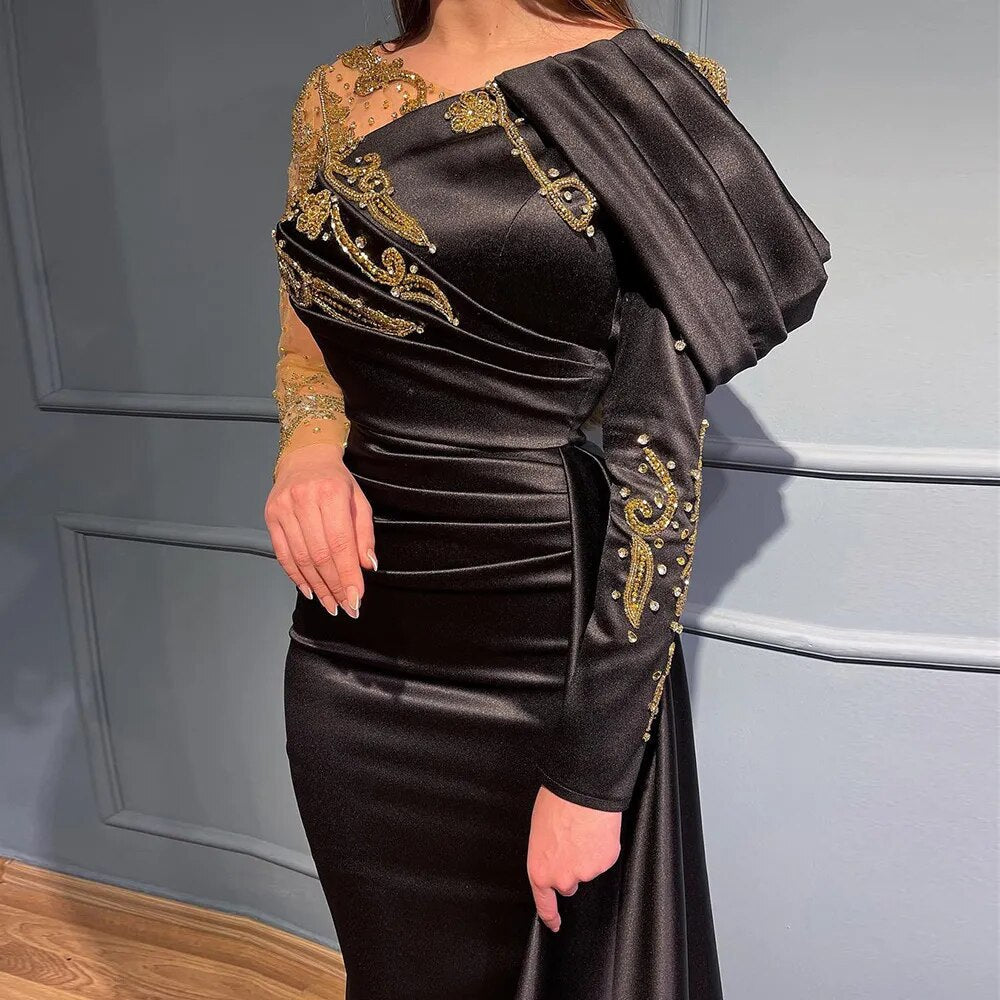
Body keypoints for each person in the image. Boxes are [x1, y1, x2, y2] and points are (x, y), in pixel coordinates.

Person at [263, 1, 831, 997]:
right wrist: (306, 450)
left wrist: (591, 778)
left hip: (537, 636)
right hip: (353, 646)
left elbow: (658, 459)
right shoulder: (337, 92)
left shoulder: (648, 90)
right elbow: (310, 338)